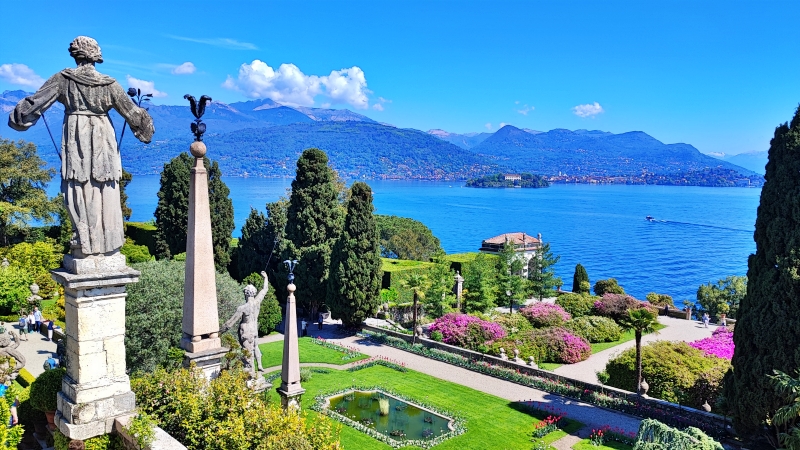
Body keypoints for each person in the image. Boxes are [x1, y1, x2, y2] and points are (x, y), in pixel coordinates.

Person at [8, 36, 154, 258]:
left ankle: (84, 238)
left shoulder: (62, 79)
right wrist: (146, 126)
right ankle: (108, 241)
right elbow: (134, 115)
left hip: (77, 135)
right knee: (106, 185)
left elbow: (32, 106)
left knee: (77, 184)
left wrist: (19, 116)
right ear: (95, 55)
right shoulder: (110, 84)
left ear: (75, 54)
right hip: (103, 134)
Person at [220, 271, 269, 375]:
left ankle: (251, 373)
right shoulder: (257, 303)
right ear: (254, 293)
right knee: (256, 347)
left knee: (247, 353)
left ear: (245, 294)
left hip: (246, 333)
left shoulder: (243, 308)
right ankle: (259, 365)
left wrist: (219, 332)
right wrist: (265, 278)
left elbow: (230, 323)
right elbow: (265, 289)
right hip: (254, 331)